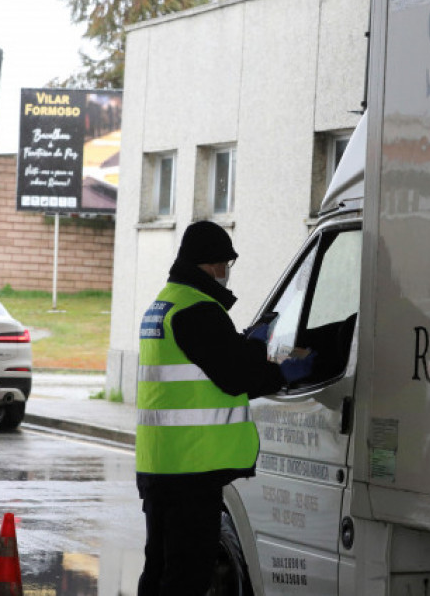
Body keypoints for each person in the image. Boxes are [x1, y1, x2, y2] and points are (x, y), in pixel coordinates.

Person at [136, 220, 314, 595]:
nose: (227, 273)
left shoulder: (165, 304)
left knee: (160, 570)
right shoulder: (198, 310)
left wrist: (246, 346)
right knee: (185, 576)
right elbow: (237, 376)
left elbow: (213, 362)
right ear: (211, 265)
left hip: (160, 466)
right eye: (225, 264)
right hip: (192, 469)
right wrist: (282, 369)